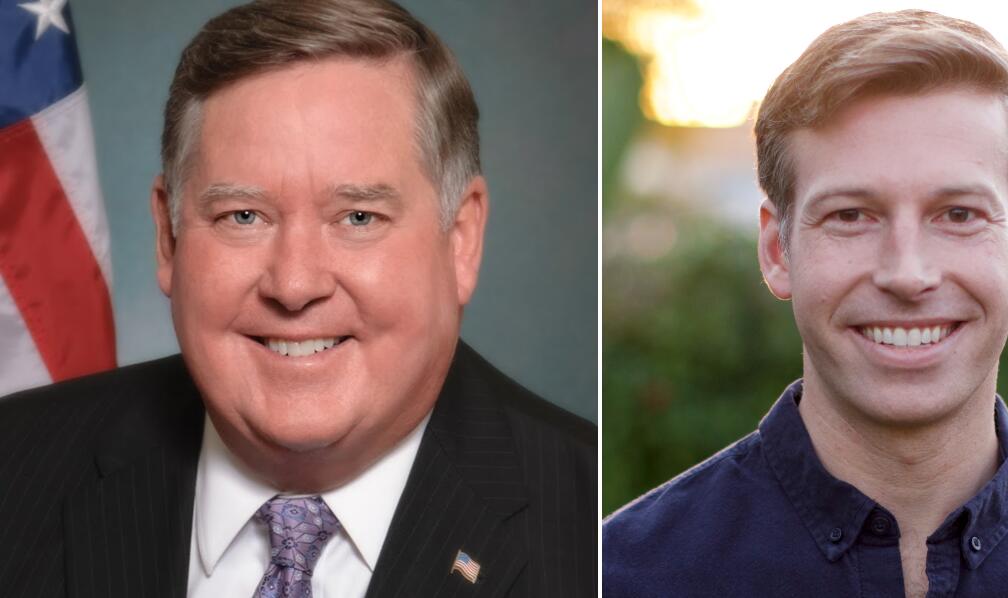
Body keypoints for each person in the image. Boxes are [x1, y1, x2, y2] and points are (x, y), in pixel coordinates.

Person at [0, 1, 595, 596]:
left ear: (461, 240)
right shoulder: (14, 471)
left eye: (358, 217)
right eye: (243, 215)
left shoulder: (597, 531)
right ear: (168, 237)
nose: (294, 284)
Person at [603, 10, 1008, 598]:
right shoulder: (617, 576)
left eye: (958, 215)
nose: (907, 274)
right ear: (776, 250)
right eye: (851, 215)